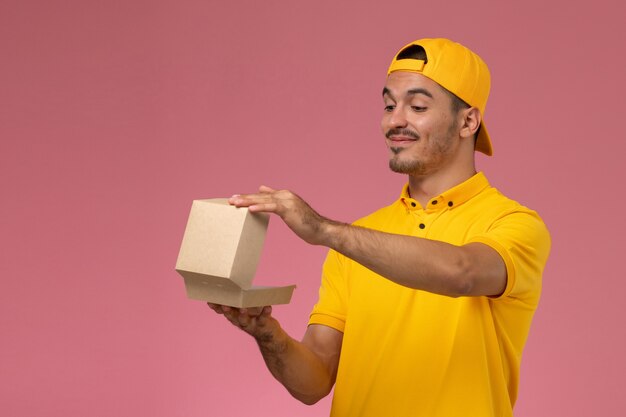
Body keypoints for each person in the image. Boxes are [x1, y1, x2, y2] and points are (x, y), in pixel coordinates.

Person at [209, 37, 551, 417]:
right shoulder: (359, 240)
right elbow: (315, 381)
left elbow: (462, 273)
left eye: (417, 106)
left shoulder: (513, 224)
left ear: (468, 121)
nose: (395, 121)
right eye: (389, 105)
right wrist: (266, 332)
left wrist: (324, 231)